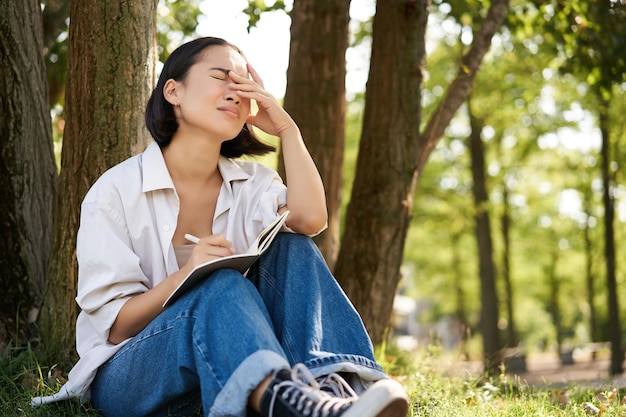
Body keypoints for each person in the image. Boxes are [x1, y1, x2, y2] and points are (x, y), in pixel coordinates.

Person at [32, 37, 409, 417]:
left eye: (244, 85)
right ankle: (295, 406)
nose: (236, 92)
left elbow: (311, 219)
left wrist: (287, 130)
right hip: (131, 375)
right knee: (220, 284)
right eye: (221, 77)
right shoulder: (116, 191)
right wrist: (187, 275)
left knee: (292, 247)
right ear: (174, 91)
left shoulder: (252, 183)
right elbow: (115, 327)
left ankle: (334, 391)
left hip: (225, 369)